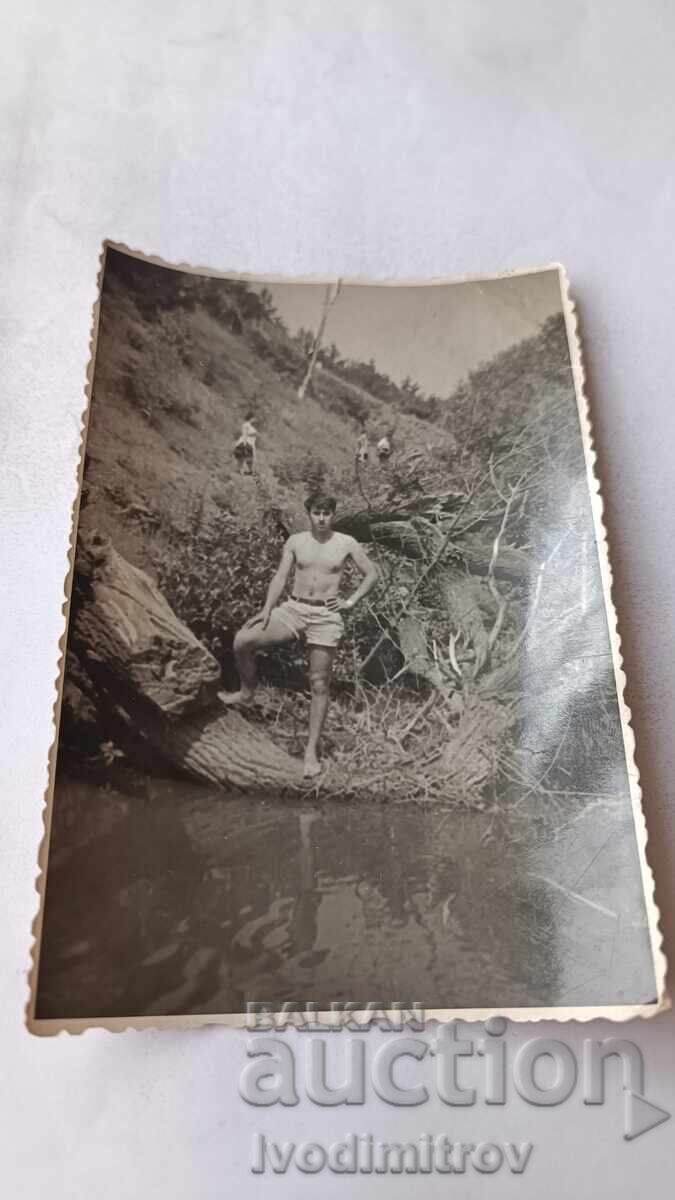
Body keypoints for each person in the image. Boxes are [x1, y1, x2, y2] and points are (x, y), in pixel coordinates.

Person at [220, 493, 379, 778]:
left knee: (319, 683)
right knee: (243, 640)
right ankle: (246, 693)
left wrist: (350, 601)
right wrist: (267, 609)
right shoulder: (296, 541)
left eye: (326, 513)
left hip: (326, 616)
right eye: (317, 512)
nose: (321, 518)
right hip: (293, 609)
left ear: (333, 514)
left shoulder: (346, 543)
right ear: (309, 513)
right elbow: (280, 577)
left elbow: (372, 573)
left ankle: (310, 752)